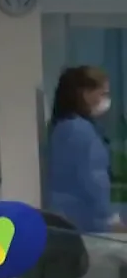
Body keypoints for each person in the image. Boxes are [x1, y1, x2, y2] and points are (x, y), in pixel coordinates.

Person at [47, 65, 120, 233]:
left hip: (67, 220)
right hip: (89, 222)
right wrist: (109, 218)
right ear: (86, 94)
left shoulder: (61, 127)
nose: (106, 99)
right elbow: (94, 179)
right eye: (103, 93)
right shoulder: (79, 130)